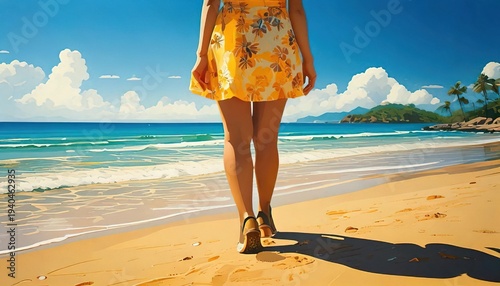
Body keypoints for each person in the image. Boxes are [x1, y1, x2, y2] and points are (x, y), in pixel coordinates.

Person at [190, 0, 316, 254]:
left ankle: (247, 219)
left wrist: (202, 55)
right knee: (267, 139)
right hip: (276, 38)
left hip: (231, 40)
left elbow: (211, 3)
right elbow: (298, 10)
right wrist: (307, 59)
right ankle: (265, 216)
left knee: (236, 139)